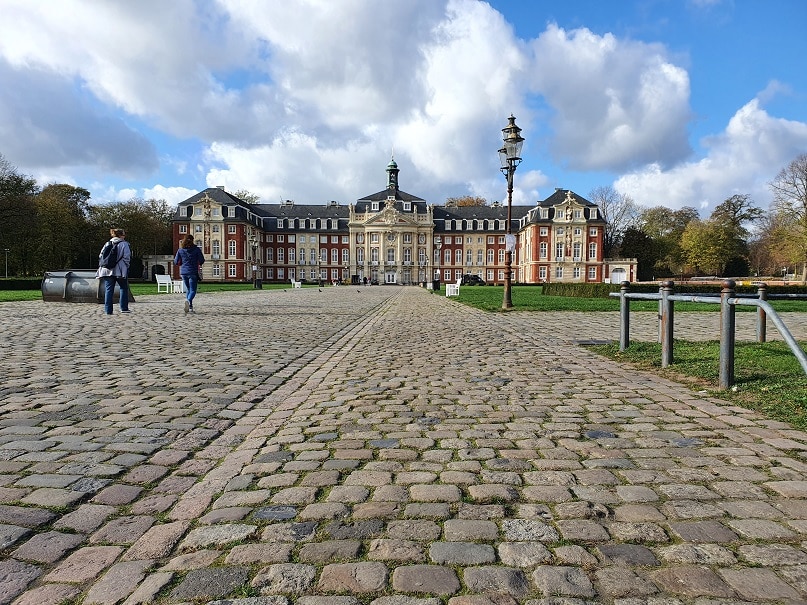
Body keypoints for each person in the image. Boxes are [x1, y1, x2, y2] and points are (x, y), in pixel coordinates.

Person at [96, 228, 132, 315]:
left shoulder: (107, 243)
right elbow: (126, 257)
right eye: (123, 234)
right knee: (123, 288)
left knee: (109, 289)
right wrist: (125, 266)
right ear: (120, 235)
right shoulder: (124, 244)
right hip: (120, 270)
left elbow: (101, 255)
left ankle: (108, 310)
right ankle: (123, 308)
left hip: (107, 270)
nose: (124, 236)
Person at [174, 234, 205, 314]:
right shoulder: (196, 249)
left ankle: (190, 307)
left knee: (188, 289)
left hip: (183, 272)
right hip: (193, 272)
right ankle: (188, 301)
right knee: (193, 290)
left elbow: (176, 261)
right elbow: (201, 260)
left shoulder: (180, 250)